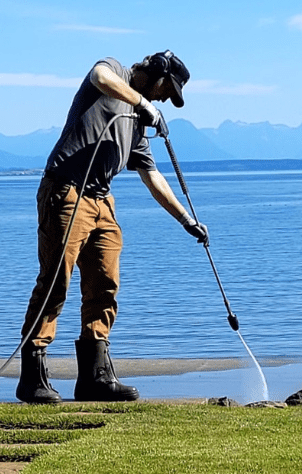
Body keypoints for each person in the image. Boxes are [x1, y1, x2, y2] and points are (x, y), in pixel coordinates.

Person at [16, 51, 209, 404]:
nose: (165, 99)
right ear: (157, 72)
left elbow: (152, 176)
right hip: (66, 191)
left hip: (102, 200)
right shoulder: (113, 71)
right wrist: (141, 102)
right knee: (56, 281)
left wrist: (186, 220)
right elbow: (100, 79)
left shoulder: (136, 122)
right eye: (168, 90)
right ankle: (32, 376)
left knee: (105, 283)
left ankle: (94, 377)